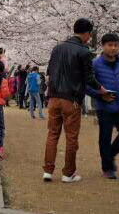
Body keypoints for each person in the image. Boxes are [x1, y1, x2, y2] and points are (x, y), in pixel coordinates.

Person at [43, 18, 107, 183]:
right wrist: (101, 89)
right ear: (87, 33)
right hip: (71, 99)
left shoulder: (57, 48)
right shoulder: (84, 52)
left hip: (54, 97)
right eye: (89, 34)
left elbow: (49, 71)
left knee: (52, 134)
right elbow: (89, 78)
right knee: (71, 137)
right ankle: (68, 173)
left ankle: (48, 171)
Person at [86, 33, 119, 180]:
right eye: (110, 45)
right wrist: (100, 95)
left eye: (116, 45)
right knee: (105, 137)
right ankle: (107, 168)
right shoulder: (95, 64)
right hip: (104, 107)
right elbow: (87, 86)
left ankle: (110, 154)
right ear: (103, 46)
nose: (113, 48)